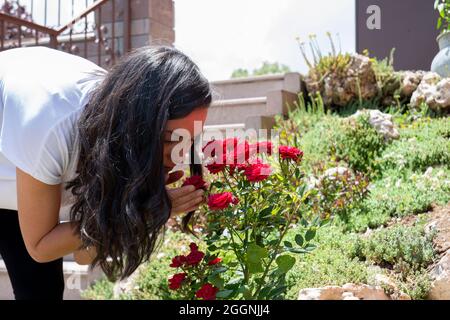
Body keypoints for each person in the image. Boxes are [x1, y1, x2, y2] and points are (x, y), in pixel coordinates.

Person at [0, 45, 212, 299]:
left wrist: (135, 204)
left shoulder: (119, 138)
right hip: (26, 139)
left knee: (42, 291)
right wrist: (145, 212)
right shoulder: (52, 125)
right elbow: (41, 246)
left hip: (23, 168)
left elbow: (83, 254)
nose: (177, 155)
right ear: (138, 124)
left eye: (186, 139)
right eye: (168, 139)